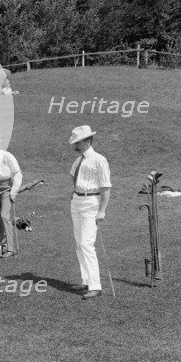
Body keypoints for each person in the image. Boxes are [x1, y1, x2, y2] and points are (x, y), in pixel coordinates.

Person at [68, 125, 111, 300]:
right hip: (76, 201)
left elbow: (105, 186)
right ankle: (86, 280)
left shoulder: (99, 160)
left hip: (90, 202)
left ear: (88, 141)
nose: (75, 146)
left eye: (78, 142)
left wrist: (102, 210)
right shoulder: (78, 161)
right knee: (79, 244)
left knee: (87, 243)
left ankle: (95, 286)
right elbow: (73, 176)